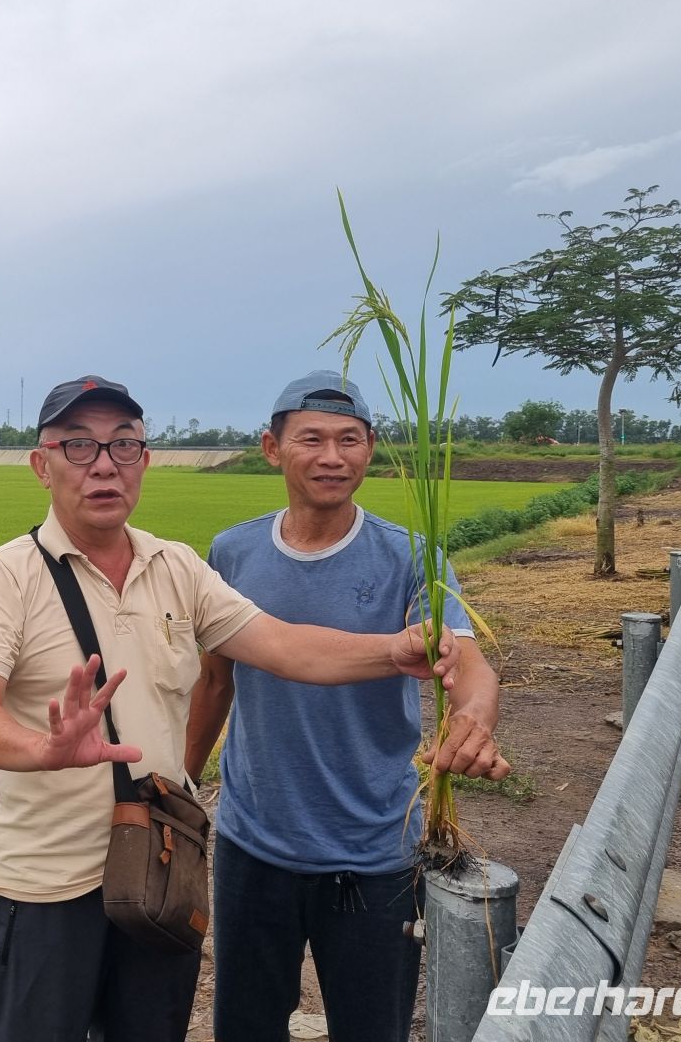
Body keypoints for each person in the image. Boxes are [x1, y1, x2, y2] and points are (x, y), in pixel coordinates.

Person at [0, 374, 466, 1042]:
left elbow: (282, 645)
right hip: (45, 883)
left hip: (159, 874)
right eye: (78, 445)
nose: (104, 465)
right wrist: (42, 750)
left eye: (123, 445)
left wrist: (392, 650)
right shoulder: (5, 576)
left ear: (144, 461)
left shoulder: (177, 567)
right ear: (41, 465)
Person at [184, 370, 511, 1042]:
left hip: (375, 849)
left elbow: (466, 661)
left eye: (349, 439)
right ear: (272, 448)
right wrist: (182, 789)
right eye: (311, 439)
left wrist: (473, 717)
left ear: (370, 449)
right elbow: (214, 683)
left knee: (371, 1027)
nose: (332, 457)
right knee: (245, 1025)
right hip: (253, 843)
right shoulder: (232, 552)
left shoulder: (410, 557)